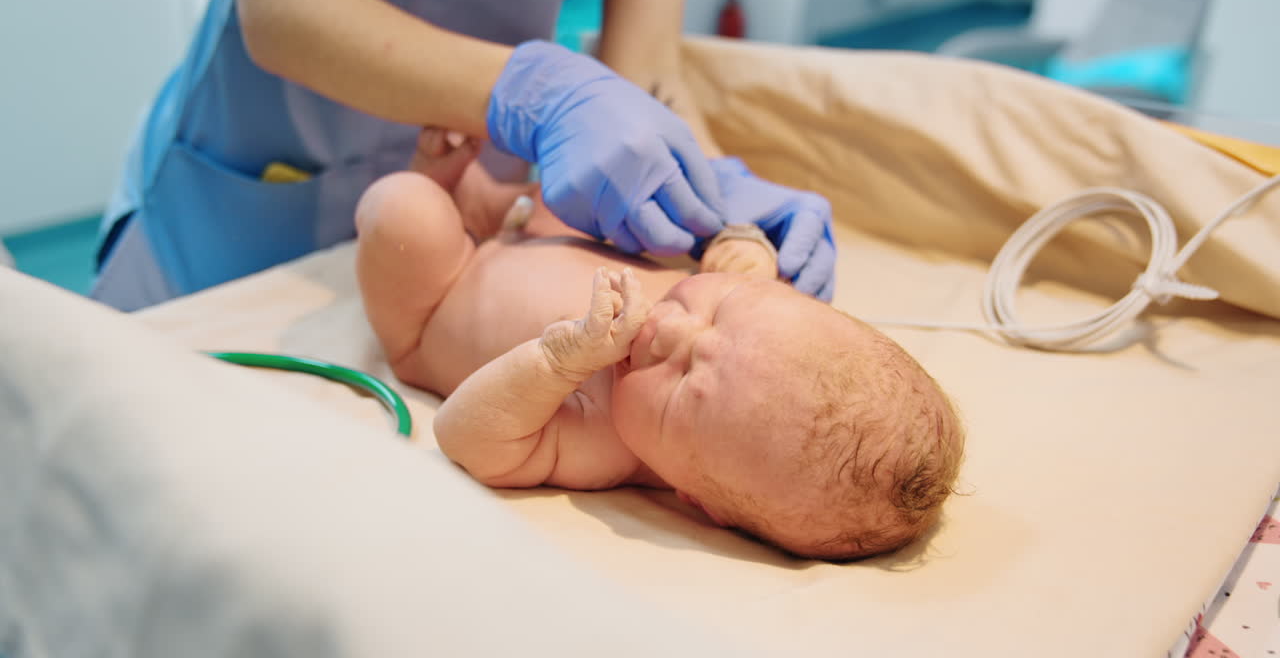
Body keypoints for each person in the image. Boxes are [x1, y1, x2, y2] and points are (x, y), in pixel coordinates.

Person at [92, 0, 836, 311]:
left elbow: (647, 72)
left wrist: (719, 196)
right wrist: (540, 93)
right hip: (246, 195)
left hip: (464, 217)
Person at [354, 129, 964, 560]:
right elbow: (734, 254)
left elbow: (465, 436)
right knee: (600, 197)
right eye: (722, 308)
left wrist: (560, 360)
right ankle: (484, 200)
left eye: (679, 389)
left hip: (440, 298)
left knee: (402, 211)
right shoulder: (770, 340)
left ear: (696, 498)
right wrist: (744, 241)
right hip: (529, 233)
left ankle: (443, 192)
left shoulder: (611, 444)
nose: (671, 329)